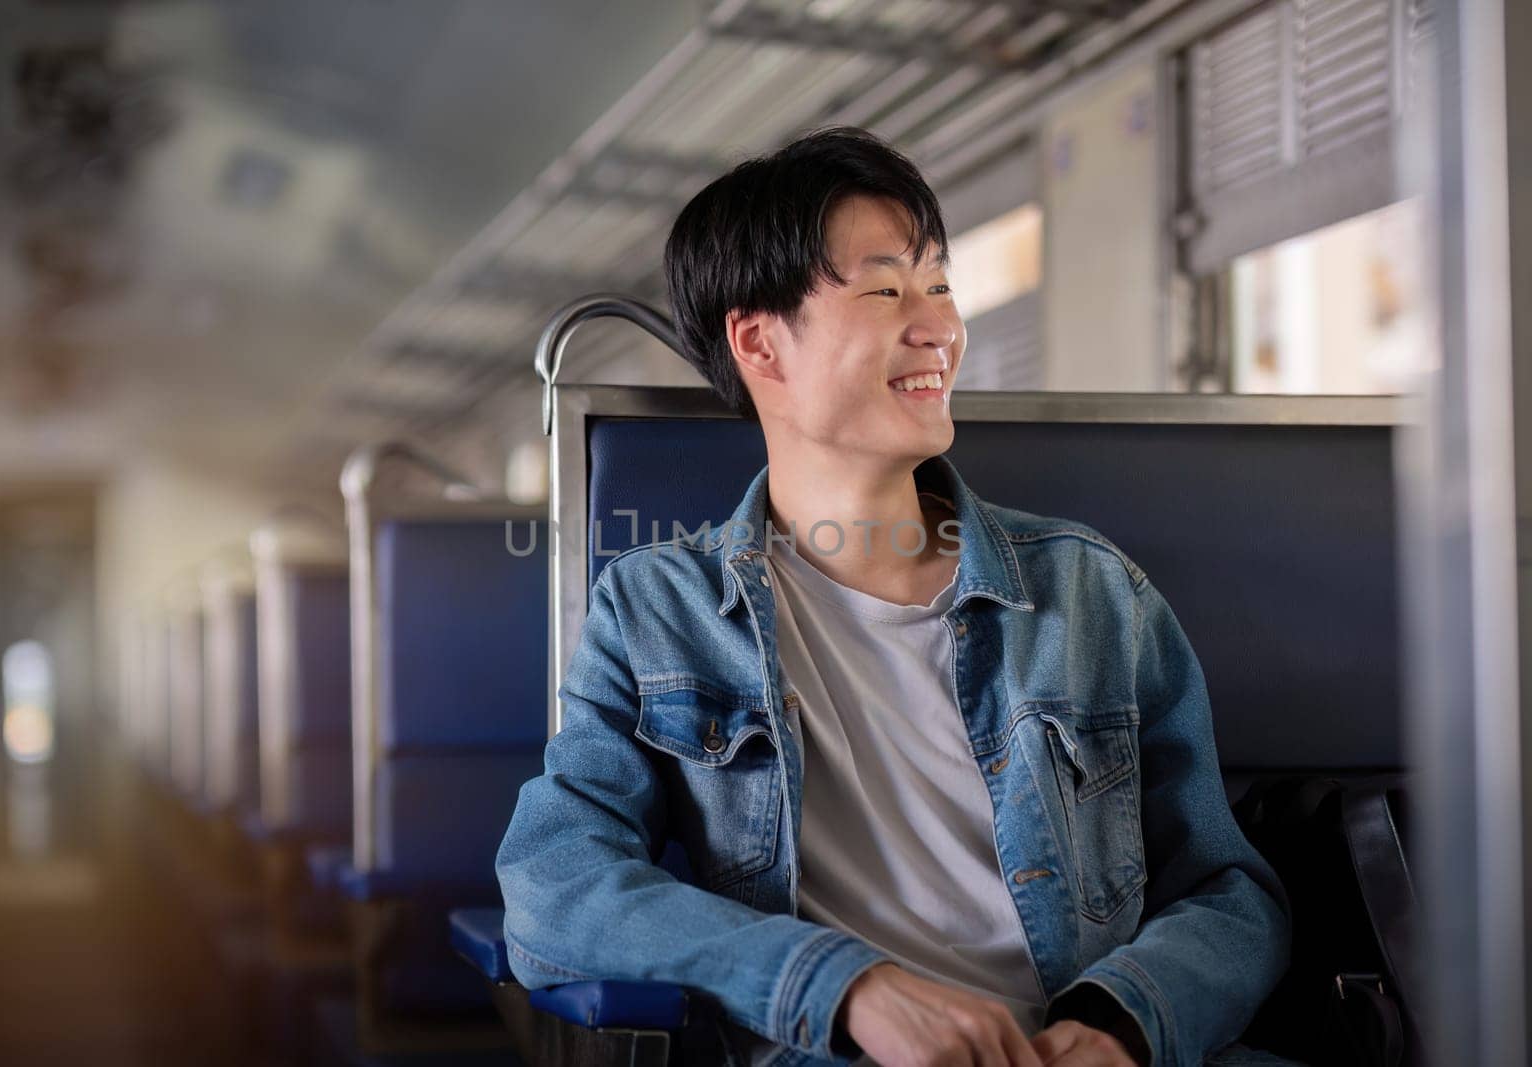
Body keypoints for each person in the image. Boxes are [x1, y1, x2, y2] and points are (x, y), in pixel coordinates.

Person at [497, 127, 1290, 1067]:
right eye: (886, 289)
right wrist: (841, 985)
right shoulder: (655, 612)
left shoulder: (1089, 590)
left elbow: (1231, 890)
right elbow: (555, 884)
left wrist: (1126, 1021)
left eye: (941, 285)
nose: (940, 326)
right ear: (760, 342)